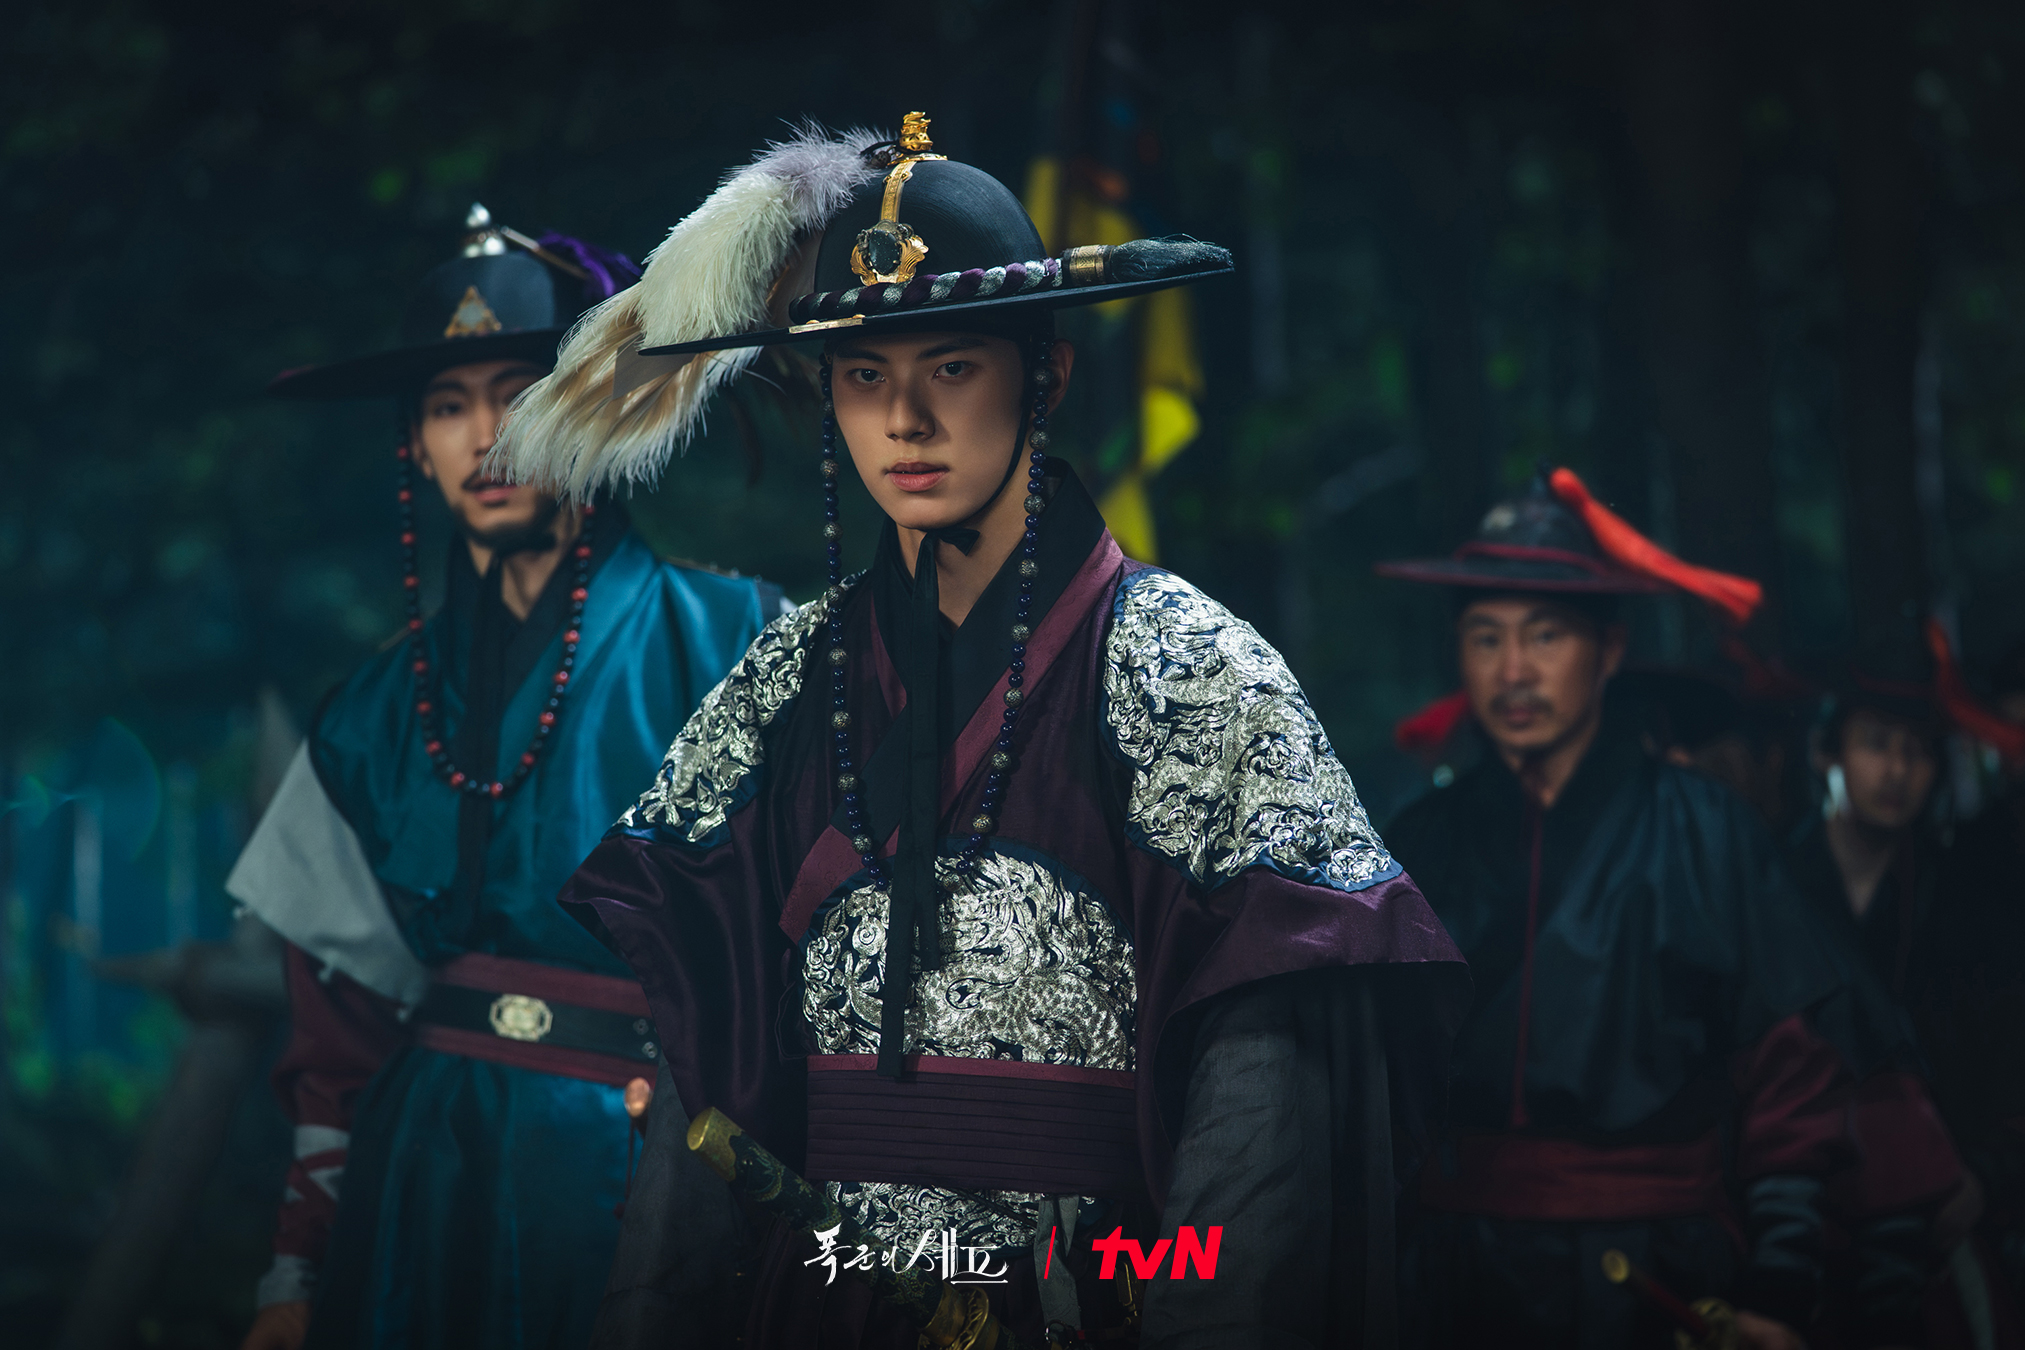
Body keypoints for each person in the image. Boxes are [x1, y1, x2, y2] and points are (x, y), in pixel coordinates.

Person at [493, 115, 1471, 1349]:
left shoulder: (1193, 673)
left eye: (951, 368)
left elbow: (1264, 1096)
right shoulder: (783, 683)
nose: (905, 419)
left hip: (1097, 1296)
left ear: (1043, 377)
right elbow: (708, 1077)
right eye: (864, 376)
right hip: (823, 1293)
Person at [231, 207, 781, 1350]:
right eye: (447, 406)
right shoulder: (369, 717)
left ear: (590, 410)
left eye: (519, 394)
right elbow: (335, 1043)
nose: (485, 435)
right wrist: (295, 1270)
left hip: (649, 1158)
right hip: (423, 1171)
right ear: (415, 445)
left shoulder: (739, 642)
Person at [1377, 469, 1906, 1350]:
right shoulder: (1420, 838)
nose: (1513, 670)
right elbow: (1375, 1082)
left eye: (1545, 635)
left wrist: (1778, 1281)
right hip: (1452, 1271)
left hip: (1653, 1269)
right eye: (1485, 637)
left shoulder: (1706, 829)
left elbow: (1791, 1075)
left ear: (1609, 650)